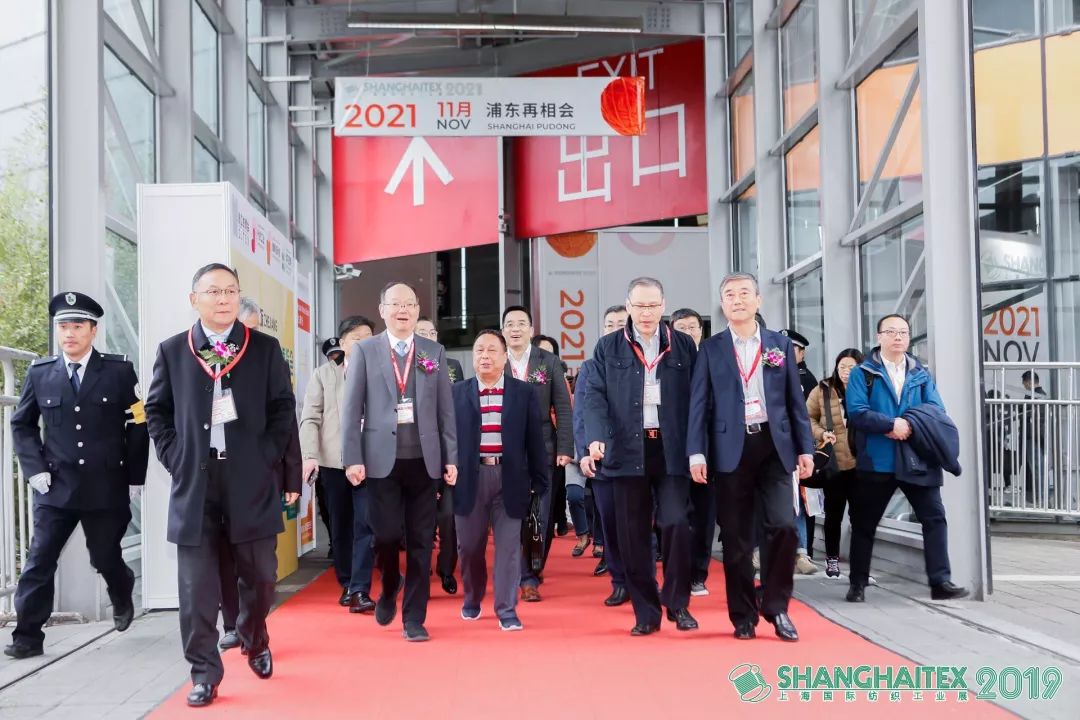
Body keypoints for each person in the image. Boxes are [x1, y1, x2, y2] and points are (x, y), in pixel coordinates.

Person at [145, 264, 299, 707]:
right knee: (197, 589)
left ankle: (254, 635)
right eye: (213, 291)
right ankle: (204, 673)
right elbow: (156, 411)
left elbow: (282, 408)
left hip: (249, 481)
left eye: (230, 290)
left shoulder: (263, 348)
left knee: (261, 576)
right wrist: (176, 457)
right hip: (195, 482)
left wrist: (265, 457)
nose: (224, 298)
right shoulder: (173, 351)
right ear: (194, 299)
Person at [7, 292, 149, 660]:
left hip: (106, 486)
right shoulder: (41, 373)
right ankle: (27, 636)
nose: (69, 333)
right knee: (40, 560)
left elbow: (138, 423)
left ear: (93, 330)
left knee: (103, 556)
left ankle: (121, 588)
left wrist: (135, 476)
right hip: (56, 486)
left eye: (77, 326)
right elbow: (22, 424)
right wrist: (34, 469)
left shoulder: (119, 372)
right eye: (63, 327)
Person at [688, 272, 815, 643]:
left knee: (784, 526)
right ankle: (743, 615)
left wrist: (805, 448)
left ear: (758, 300)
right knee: (737, 539)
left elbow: (795, 402)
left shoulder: (779, 344)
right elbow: (699, 403)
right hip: (730, 450)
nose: (738, 299)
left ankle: (776, 606)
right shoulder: (711, 349)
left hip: (775, 447)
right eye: (730, 294)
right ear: (722, 304)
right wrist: (696, 452)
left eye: (745, 293)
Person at [341, 282, 458, 642]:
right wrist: (352, 457)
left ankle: (414, 618)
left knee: (422, 542)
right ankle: (390, 582)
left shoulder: (433, 351)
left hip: (424, 461)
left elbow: (445, 410)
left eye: (409, 304)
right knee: (386, 536)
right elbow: (351, 408)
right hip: (380, 462)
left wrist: (451, 456)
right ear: (382, 310)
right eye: (395, 304)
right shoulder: (365, 351)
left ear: (418, 309)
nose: (402, 310)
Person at [583, 278, 699, 636]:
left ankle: (677, 602)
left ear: (663, 305)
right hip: (626, 449)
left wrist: (699, 447)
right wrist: (596, 436)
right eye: (639, 306)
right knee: (632, 535)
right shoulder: (608, 347)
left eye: (652, 305)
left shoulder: (682, 345)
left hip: (671, 448)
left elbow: (699, 398)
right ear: (628, 306)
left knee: (676, 523)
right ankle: (646, 612)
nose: (646, 313)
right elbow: (594, 395)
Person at [844, 314, 969, 603]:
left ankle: (940, 582)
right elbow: (857, 413)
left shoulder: (920, 373)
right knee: (864, 523)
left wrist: (909, 425)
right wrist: (890, 424)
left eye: (903, 332)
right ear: (879, 337)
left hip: (917, 457)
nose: (898, 337)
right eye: (891, 332)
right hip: (878, 459)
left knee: (934, 518)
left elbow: (936, 410)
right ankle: (858, 583)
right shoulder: (863, 373)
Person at [453, 330, 548, 630]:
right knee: (469, 548)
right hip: (469, 479)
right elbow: (447, 440)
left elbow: (535, 440)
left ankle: (506, 609)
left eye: (492, 350)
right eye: (479, 350)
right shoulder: (456, 393)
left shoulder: (523, 393)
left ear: (505, 357)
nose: (485, 356)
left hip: (510, 479)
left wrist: (540, 480)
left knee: (508, 549)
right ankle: (473, 597)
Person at [300, 316, 378, 615]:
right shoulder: (324, 375)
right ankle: (347, 582)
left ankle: (359, 589)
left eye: (369, 338)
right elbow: (310, 418)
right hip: (334, 463)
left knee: (366, 523)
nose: (365, 343)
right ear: (343, 343)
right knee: (341, 525)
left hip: (371, 462)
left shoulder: (381, 372)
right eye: (358, 338)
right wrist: (310, 455)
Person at [501, 306, 572, 602]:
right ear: (503, 330)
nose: (515, 329)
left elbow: (563, 407)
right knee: (512, 515)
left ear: (531, 329)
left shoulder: (548, 361)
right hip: (504, 450)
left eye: (521, 324)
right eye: (510, 324)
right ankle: (524, 574)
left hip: (543, 447)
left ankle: (532, 569)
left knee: (540, 516)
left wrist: (565, 448)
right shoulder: (495, 358)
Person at [578, 305, 630, 605]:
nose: (614, 329)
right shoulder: (591, 366)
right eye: (609, 324)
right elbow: (582, 413)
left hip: (638, 457)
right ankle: (619, 580)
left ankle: (641, 579)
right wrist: (584, 451)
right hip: (602, 458)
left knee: (637, 522)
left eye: (621, 323)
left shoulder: (644, 362)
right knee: (609, 521)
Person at [415, 315, 463, 595]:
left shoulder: (451, 365)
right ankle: (420, 573)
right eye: (421, 332)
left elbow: (459, 408)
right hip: (415, 453)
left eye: (431, 332)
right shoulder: (403, 366)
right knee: (420, 520)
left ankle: (447, 569)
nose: (427, 337)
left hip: (446, 449)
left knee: (448, 516)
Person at [806, 349, 863, 579]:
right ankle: (832, 560)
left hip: (862, 462)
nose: (846, 372)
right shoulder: (823, 389)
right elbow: (807, 417)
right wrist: (821, 433)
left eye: (852, 368)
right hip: (834, 463)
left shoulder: (869, 389)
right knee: (834, 514)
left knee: (861, 517)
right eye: (842, 367)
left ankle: (860, 565)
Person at [671, 308, 716, 597]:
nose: (688, 333)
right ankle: (677, 569)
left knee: (704, 515)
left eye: (692, 327)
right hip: (674, 450)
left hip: (709, 449)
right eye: (681, 328)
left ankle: (699, 572)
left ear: (701, 331)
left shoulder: (712, 358)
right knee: (675, 515)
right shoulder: (665, 361)